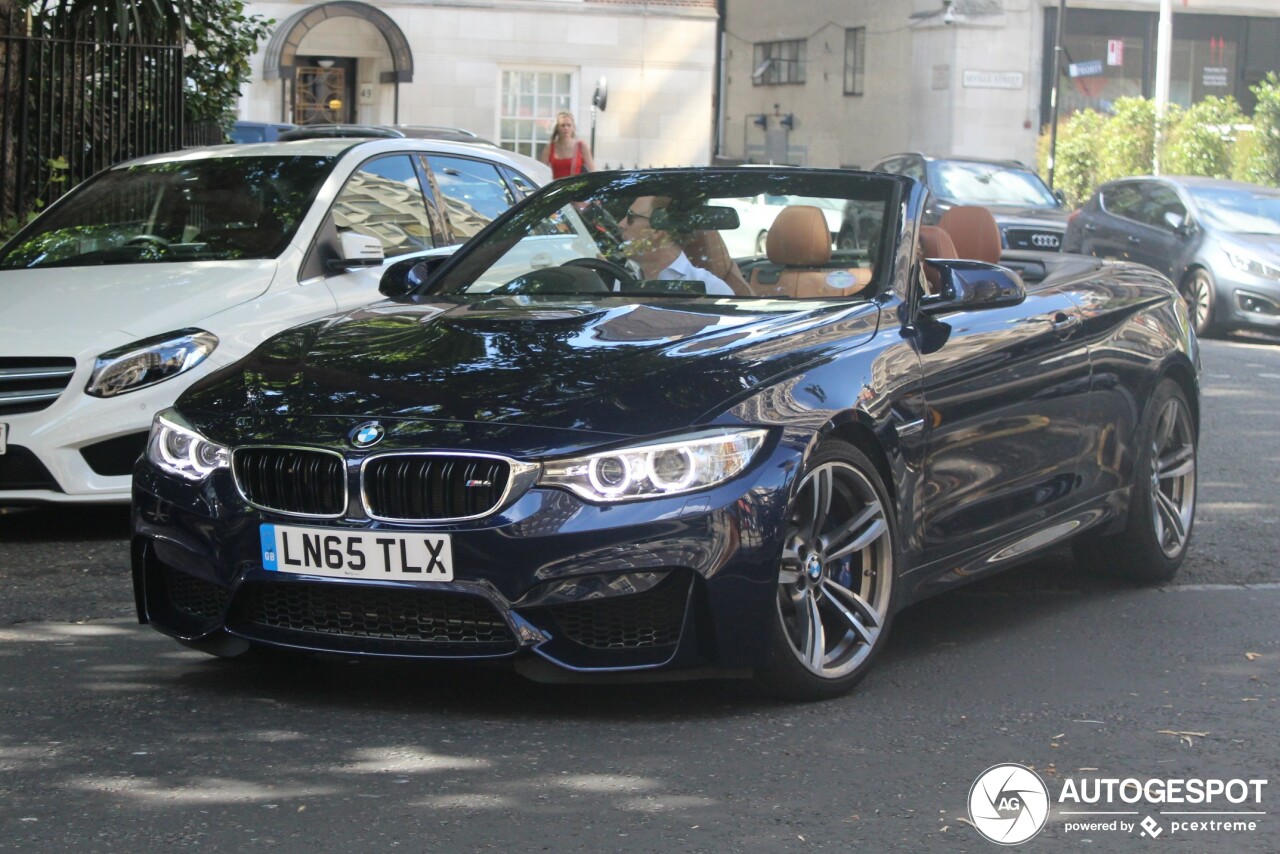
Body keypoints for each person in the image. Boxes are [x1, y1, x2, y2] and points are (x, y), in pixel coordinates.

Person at [618, 195, 734, 295]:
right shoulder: (617, 278)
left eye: (630, 217)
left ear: (657, 229)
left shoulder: (711, 290)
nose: (621, 224)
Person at [540, 112, 596, 179]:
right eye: (563, 125)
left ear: (573, 127)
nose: (566, 128)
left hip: (575, 187)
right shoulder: (550, 147)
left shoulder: (581, 146)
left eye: (569, 125)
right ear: (558, 127)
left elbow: (593, 172)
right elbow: (541, 170)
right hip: (557, 187)